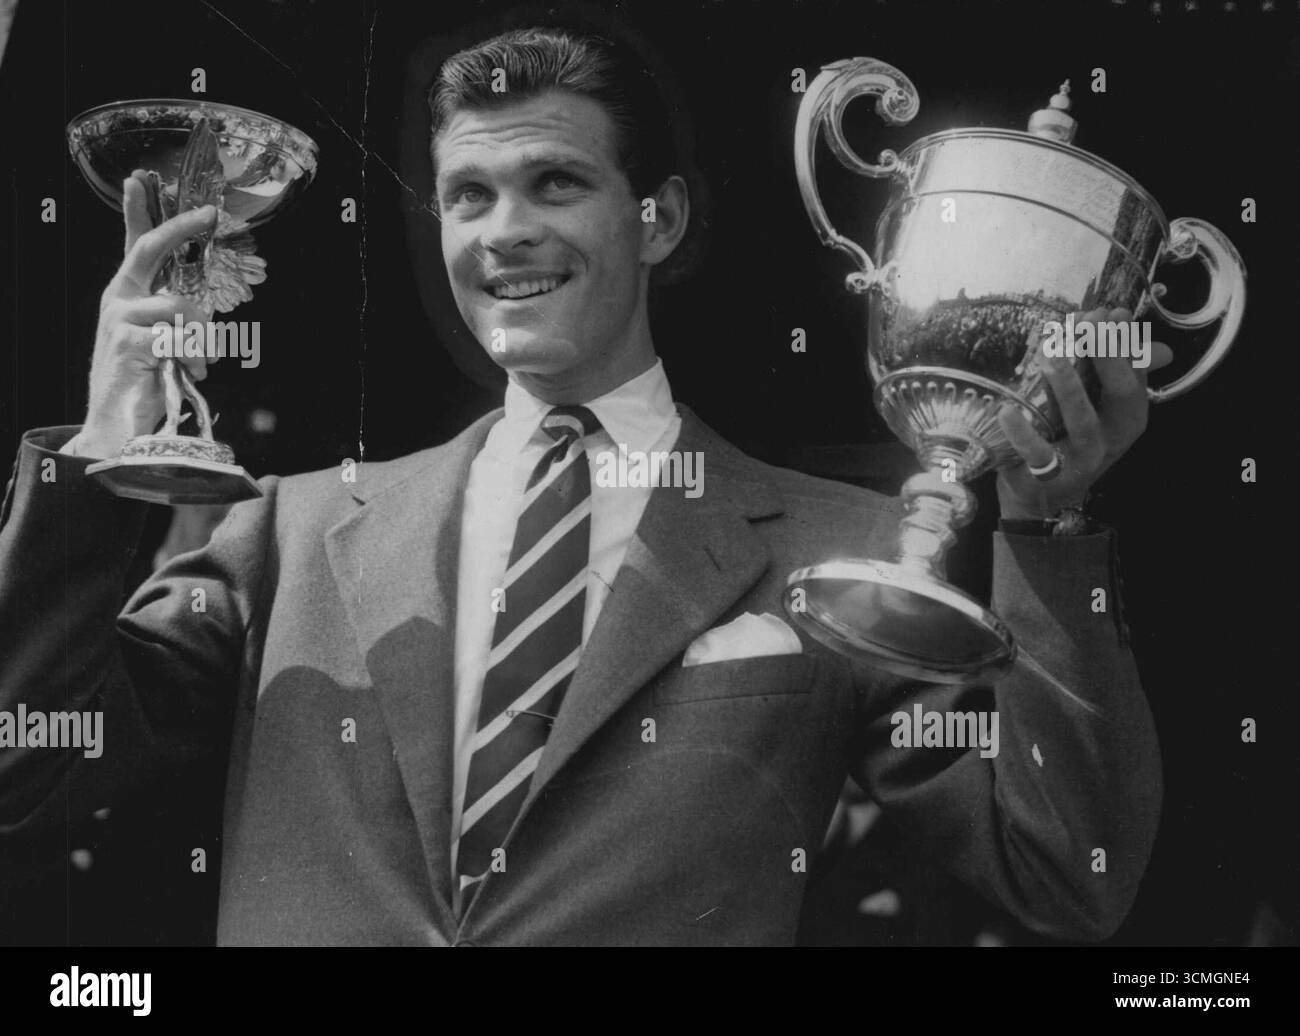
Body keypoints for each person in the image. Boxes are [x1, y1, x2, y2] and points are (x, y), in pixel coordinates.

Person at [0, 26, 1163, 946]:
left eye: (554, 182)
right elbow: (23, 770)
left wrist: (1047, 518)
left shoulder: (836, 547)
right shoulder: (284, 533)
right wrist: (95, 460)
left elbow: (1066, 870)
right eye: (469, 195)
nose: (504, 231)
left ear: (659, 219)